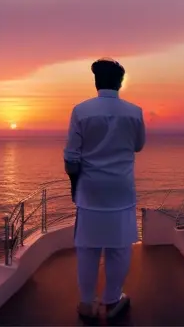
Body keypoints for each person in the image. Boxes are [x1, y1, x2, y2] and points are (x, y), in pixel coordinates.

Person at [63, 58, 146, 320]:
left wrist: (75, 187)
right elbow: (138, 146)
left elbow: (71, 159)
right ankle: (111, 301)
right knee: (119, 247)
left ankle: (87, 304)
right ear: (120, 82)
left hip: (90, 191)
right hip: (121, 191)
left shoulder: (81, 111)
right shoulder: (135, 112)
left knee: (88, 248)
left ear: (96, 81)